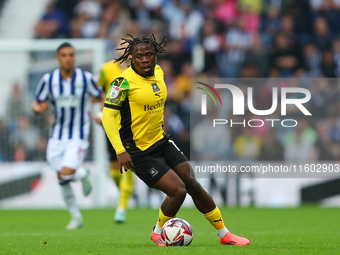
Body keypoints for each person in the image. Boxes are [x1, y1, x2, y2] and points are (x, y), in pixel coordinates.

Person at [102, 34, 250, 246]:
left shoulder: (159, 73)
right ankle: (157, 232)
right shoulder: (122, 82)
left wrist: (158, 121)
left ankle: (225, 234)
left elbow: (154, 103)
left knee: (193, 184)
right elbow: (108, 117)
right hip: (138, 151)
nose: (144, 59)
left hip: (161, 141)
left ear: (155, 56)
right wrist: (119, 150)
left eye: (148, 54)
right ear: (131, 58)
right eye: (138, 56)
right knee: (178, 191)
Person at [32, 42, 104, 229]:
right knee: (61, 179)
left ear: (74, 57)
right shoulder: (49, 80)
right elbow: (36, 103)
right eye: (64, 55)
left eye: (71, 54)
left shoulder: (85, 78)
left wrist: (102, 112)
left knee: (66, 173)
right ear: (58, 57)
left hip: (79, 134)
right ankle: (76, 217)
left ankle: (81, 173)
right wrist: (39, 109)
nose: (68, 58)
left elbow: (100, 95)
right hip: (57, 135)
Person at [94, 41, 134, 223]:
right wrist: (98, 112)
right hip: (110, 125)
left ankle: (121, 207)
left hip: (130, 125)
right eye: (120, 48)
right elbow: (96, 91)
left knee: (128, 165)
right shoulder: (106, 69)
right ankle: (124, 194)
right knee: (114, 168)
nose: (123, 52)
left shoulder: (136, 72)